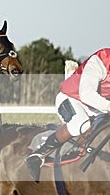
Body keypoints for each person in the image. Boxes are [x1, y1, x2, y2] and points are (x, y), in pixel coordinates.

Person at [26, 48, 110, 177]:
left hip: (97, 107)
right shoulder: (100, 60)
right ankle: (39, 154)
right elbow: (87, 95)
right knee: (80, 123)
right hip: (71, 98)